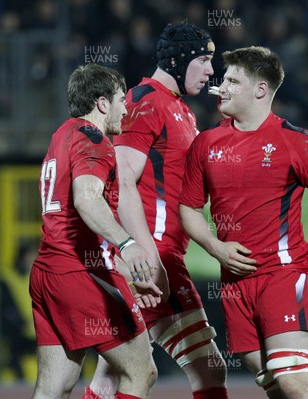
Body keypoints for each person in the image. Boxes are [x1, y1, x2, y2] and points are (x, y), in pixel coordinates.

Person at [178, 46, 308, 399]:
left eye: (233, 81)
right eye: (223, 80)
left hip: (285, 276)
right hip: (234, 284)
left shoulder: (295, 141)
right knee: (274, 385)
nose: (221, 87)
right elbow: (189, 209)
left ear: (260, 90)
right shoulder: (205, 143)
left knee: (293, 383)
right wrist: (215, 247)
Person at [84, 22, 229, 399]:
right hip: (152, 258)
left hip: (157, 256)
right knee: (204, 371)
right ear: (178, 60)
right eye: (203, 60)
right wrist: (142, 253)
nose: (211, 71)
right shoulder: (146, 99)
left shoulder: (178, 107)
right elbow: (124, 180)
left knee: (113, 379)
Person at [30, 63, 166, 399]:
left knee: (54, 387)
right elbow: (86, 200)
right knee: (140, 371)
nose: (126, 108)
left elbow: (72, 227)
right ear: (102, 103)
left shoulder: (62, 135)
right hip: (78, 273)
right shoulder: (94, 139)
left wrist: (124, 272)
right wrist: (129, 244)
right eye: (121, 99)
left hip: (49, 272)